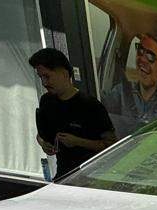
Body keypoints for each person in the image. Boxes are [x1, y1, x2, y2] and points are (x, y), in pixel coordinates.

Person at [30, 48, 115, 179]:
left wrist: (78, 142)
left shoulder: (90, 105)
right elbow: (41, 134)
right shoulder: (46, 101)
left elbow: (111, 145)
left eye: (47, 76)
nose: (44, 83)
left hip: (93, 177)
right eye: (41, 77)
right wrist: (44, 144)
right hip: (63, 175)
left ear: (64, 74)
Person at [103, 34, 157, 137]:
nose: (142, 59)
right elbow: (99, 110)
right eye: (140, 51)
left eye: (150, 56)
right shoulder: (121, 91)